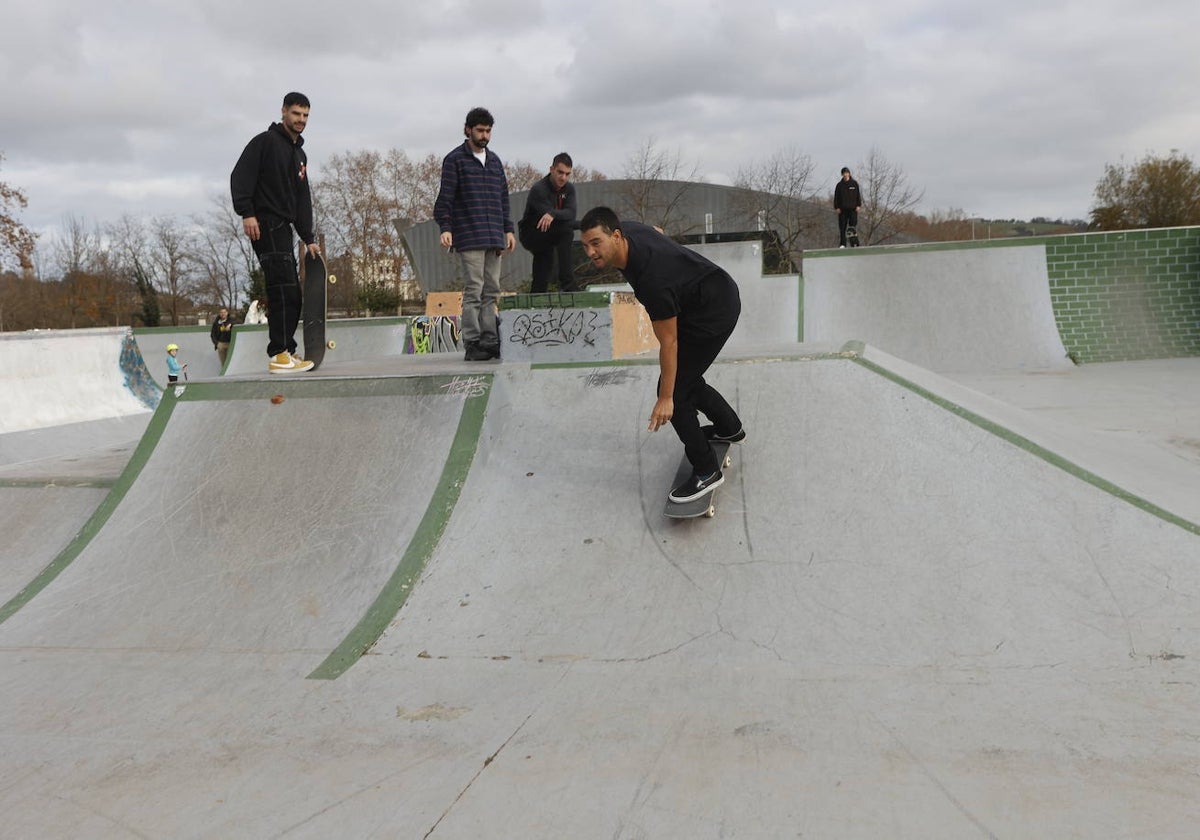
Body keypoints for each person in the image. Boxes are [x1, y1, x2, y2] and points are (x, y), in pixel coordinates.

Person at [579, 206, 745, 503]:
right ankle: (729, 427)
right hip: (714, 290)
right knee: (685, 378)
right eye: (586, 245)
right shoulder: (629, 229)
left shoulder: (652, 282)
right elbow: (655, 230)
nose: (590, 252)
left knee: (675, 393)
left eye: (596, 243)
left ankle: (706, 471)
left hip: (713, 314)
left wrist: (665, 398)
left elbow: (668, 343)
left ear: (616, 236)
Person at [230, 91, 318, 373]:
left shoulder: (299, 155)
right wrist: (247, 213)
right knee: (282, 288)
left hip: (285, 228)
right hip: (265, 223)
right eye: (296, 114)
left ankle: (286, 351)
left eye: (305, 115)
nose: (300, 120)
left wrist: (309, 238)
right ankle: (279, 352)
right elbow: (240, 176)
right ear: (283, 112)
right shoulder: (265, 142)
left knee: (292, 292)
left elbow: (302, 200)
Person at [433, 106, 515, 361]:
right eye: (480, 130)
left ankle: (490, 340)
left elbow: (503, 197)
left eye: (488, 131)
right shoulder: (455, 160)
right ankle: (473, 341)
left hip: (493, 236)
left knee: (492, 291)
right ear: (468, 130)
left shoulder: (494, 161)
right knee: (474, 290)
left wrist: (508, 229)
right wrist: (446, 227)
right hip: (469, 235)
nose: (484, 135)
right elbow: (444, 199)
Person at [518, 152, 578, 293]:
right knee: (566, 231)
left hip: (549, 233)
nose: (563, 178)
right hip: (531, 232)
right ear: (551, 170)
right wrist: (579, 223)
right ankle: (567, 283)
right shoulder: (539, 189)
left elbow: (571, 213)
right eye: (560, 172)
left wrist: (553, 213)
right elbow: (561, 220)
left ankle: (537, 294)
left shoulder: (569, 189)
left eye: (567, 174)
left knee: (544, 259)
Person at [834, 167, 862, 248]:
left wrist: (858, 205)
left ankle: (854, 242)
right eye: (844, 173)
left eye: (847, 173)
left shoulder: (854, 183)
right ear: (842, 174)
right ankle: (843, 244)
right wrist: (837, 207)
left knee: (852, 227)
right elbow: (836, 197)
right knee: (842, 227)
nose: (845, 175)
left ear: (849, 174)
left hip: (853, 209)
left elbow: (858, 195)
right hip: (842, 209)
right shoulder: (839, 185)